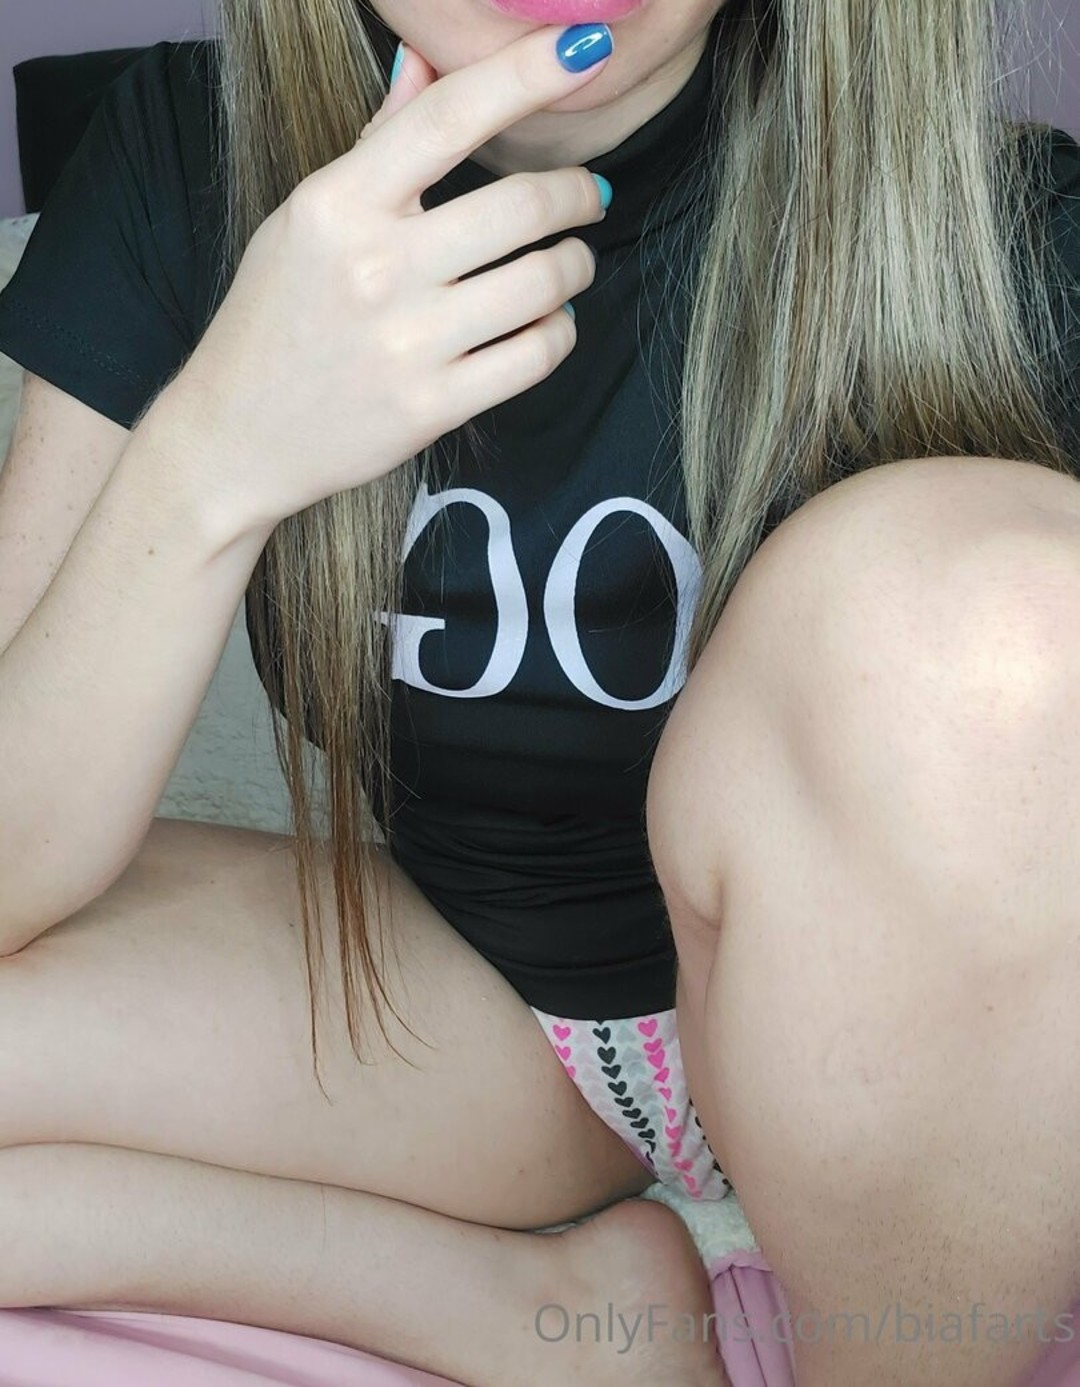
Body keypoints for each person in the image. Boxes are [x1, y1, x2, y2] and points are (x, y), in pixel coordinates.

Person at [0, 1, 1078, 1383]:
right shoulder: (187, 150)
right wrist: (217, 449)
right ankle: (519, 1315)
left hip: (908, 1055)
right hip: (483, 1017)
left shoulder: (1015, 230)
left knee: (1000, 630)